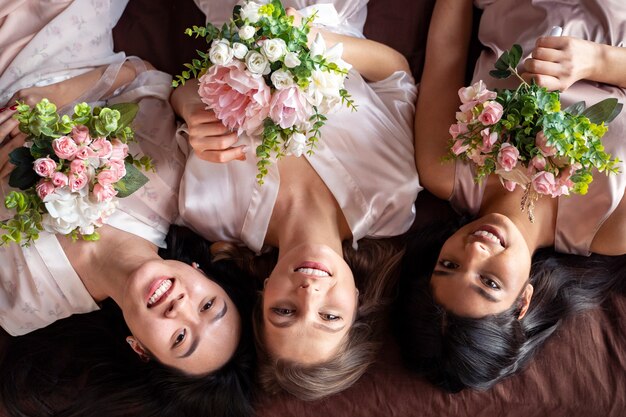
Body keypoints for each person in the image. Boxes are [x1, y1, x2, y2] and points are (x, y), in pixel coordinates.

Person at [0, 1, 255, 415]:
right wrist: (58, 94)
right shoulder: (167, 182)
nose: (181, 308)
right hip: (57, 33)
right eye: (207, 305)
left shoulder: (23, 307)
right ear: (201, 274)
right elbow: (140, 74)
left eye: (179, 339)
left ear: (140, 350)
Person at [170, 0, 420, 400]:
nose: (308, 292)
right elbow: (395, 73)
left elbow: (182, 92)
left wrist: (188, 108)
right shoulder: (393, 198)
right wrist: (316, 42)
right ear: (357, 303)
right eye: (330, 316)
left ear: (263, 292)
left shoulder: (208, 210)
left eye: (284, 312)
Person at [398, 0, 626, 391]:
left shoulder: (443, 169)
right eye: (488, 282)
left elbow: (448, 47)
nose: (474, 250)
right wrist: (600, 62)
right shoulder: (612, 228)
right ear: (523, 302)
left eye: (448, 265)